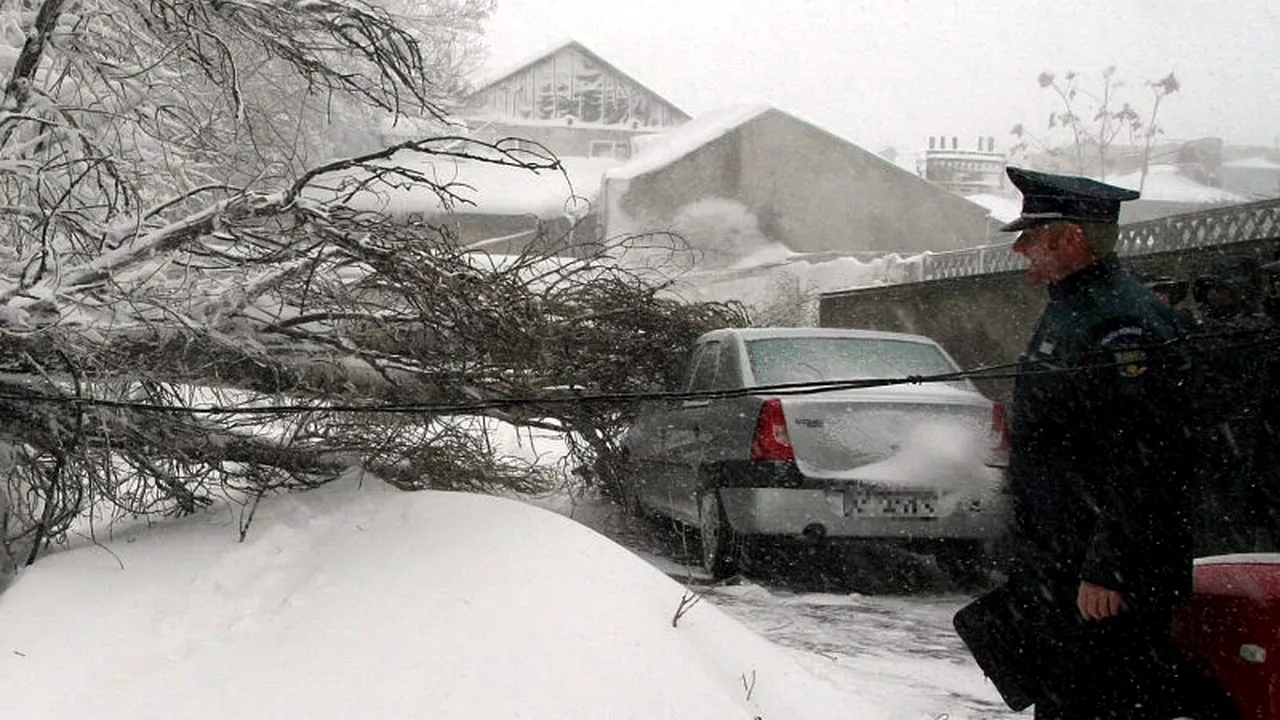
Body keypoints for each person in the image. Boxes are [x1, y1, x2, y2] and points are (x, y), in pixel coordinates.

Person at [969, 167, 1233, 719]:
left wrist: (1108, 567)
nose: (1020, 249)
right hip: (1064, 564)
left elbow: (1151, 457)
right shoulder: (1073, 310)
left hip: (1103, 580)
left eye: (1032, 236)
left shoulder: (1122, 323)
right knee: (1067, 702)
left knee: (1106, 703)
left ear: (1071, 238)